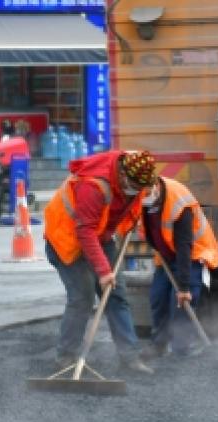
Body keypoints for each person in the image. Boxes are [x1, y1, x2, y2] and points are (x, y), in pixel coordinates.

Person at [43, 149, 157, 375]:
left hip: (101, 236)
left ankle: (130, 357)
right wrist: (104, 271)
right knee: (82, 298)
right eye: (135, 185)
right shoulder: (94, 186)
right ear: (123, 175)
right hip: (68, 240)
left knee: (117, 296)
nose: (138, 191)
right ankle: (66, 357)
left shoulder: (134, 173)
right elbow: (85, 231)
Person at [138, 175, 218, 360]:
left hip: (192, 254)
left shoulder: (178, 201)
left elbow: (185, 245)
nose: (144, 197)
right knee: (158, 298)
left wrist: (183, 287)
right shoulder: (141, 197)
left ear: (156, 185)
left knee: (181, 303)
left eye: (147, 193)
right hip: (166, 254)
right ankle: (158, 345)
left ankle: (182, 349)